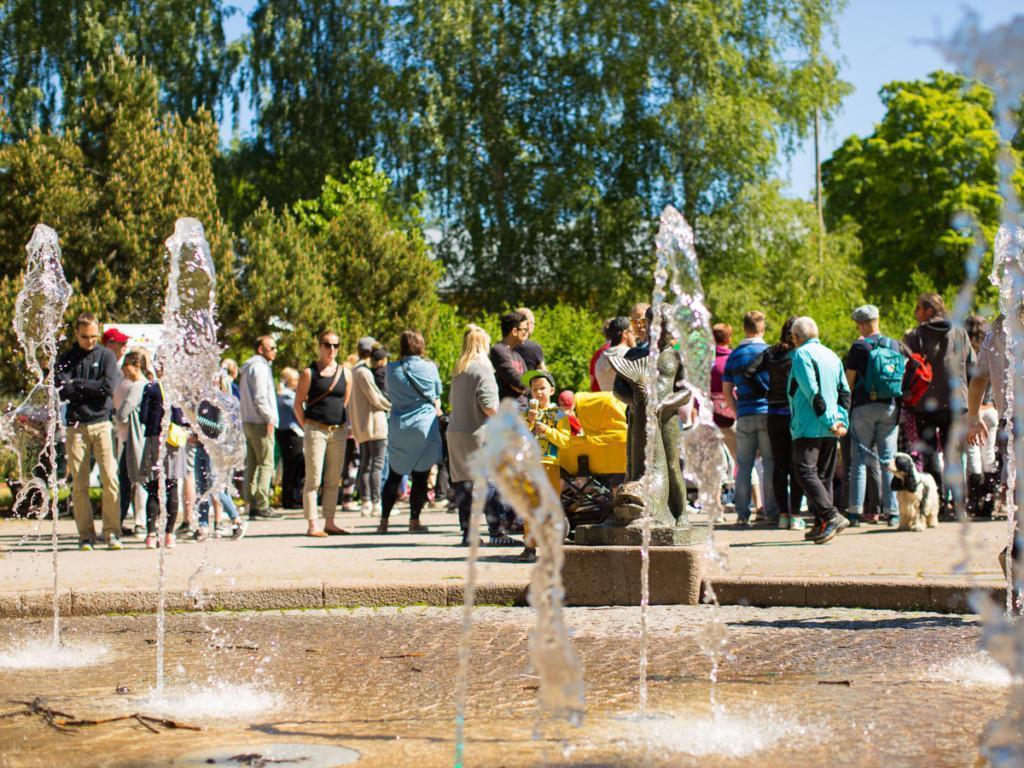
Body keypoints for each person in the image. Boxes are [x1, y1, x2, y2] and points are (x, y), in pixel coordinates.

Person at [56, 312, 123, 550]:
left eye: (95, 336)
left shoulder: (106, 356)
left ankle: (112, 531)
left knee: (110, 478)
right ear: (77, 333)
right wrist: (85, 387)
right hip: (76, 426)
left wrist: (79, 384)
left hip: (102, 422)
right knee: (80, 483)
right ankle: (86, 535)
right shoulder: (67, 358)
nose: (90, 341)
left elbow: (108, 387)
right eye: (85, 337)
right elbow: (63, 390)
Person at [903, 292, 974, 515]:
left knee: (930, 452)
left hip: (924, 402)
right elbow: (972, 365)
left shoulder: (914, 335)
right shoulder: (959, 332)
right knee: (954, 454)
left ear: (928, 310)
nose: (916, 313)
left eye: (918, 308)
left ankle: (936, 504)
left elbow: (907, 367)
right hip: (956, 401)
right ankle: (960, 506)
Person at [447, 325, 519, 546]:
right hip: (479, 434)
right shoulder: (482, 369)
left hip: (455, 432)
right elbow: (488, 404)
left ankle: (468, 533)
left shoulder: (459, 369)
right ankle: (496, 531)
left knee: (463, 484)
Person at [788, 316, 851, 544]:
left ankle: (830, 516)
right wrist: (841, 421)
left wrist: (827, 420)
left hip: (810, 425)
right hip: (831, 426)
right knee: (823, 476)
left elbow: (811, 391)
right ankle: (820, 524)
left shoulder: (801, 354)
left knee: (804, 470)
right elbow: (845, 391)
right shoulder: (832, 355)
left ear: (796, 337)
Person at [844, 304, 903, 528]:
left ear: (863, 323)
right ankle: (893, 512)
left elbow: (849, 382)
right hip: (890, 407)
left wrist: (846, 408)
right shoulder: (894, 344)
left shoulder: (859, 347)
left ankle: (855, 512)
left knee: (859, 459)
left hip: (863, 406)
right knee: (889, 460)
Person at [380, 330, 442, 534]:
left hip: (399, 425)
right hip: (424, 425)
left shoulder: (391, 369)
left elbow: (389, 391)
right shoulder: (430, 368)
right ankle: (414, 521)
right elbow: (436, 392)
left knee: (395, 474)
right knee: (421, 476)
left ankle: (383, 522)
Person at [294, 330, 352, 537]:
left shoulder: (346, 373)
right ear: (319, 346)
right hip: (315, 429)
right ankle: (312, 524)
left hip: (337, 430)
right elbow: (298, 404)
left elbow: (344, 402)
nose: (332, 350)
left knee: (333, 478)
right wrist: (307, 426)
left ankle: (330, 521)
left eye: (336, 345)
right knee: (313, 478)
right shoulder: (309, 373)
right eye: (328, 345)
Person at [722, 311, 777, 525]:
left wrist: (737, 412)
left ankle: (742, 513)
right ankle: (770, 511)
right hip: (767, 413)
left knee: (744, 465)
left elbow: (727, 391)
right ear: (762, 329)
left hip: (744, 413)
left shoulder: (734, 355)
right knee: (770, 464)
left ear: (744, 328)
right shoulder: (769, 352)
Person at [751, 316, 804, 529]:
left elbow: (749, 372)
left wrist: (766, 391)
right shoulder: (799, 354)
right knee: (798, 465)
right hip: (795, 413)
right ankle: (796, 515)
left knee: (779, 466)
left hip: (773, 412)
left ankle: (783, 514)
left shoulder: (771, 352)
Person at [138, 371, 187, 549]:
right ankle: (169, 535)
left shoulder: (150, 388)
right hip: (173, 442)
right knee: (172, 486)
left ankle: (151, 534)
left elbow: (142, 416)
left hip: (153, 439)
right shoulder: (177, 388)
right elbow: (183, 417)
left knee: (153, 487)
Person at [239, 335, 282, 520]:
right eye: (271, 347)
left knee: (253, 463)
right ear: (260, 349)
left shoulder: (248, 367)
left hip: (249, 420)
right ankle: (262, 504)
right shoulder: (259, 368)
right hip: (260, 422)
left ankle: (251, 503)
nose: (275, 351)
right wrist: (269, 417)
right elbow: (260, 397)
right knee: (266, 463)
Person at [350, 337, 391, 518]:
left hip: (361, 424)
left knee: (366, 465)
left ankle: (366, 501)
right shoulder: (363, 372)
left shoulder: (353, 371)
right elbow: (375, 397)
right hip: (374, 423)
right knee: (377, 465)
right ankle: (375, 502)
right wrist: (390, 405)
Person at [114, 349, 151, 538]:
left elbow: (122, 413)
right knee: (137, 481)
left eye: (126, 365)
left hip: (133, 440)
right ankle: (137, 522)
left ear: (136, 365)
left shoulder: (137, 386)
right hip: (143, 438)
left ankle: (132, 522)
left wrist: (119, 421)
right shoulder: (149, 385)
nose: (123, 370)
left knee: (128, 480)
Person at [965, 315, 998, 518]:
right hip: (992, 409)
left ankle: (975, 503)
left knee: (973, 457)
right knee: (989, 457)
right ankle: (989, 504)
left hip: (975, 410)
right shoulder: (994, 348)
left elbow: (973, 384)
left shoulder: (968, 354)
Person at [275, 367, 304, 510]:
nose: (298, 382)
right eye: (296, 379)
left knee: (289, 466)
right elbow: (298, 410)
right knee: (294, 466)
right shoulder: (287, 396)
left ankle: (289, 498)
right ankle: (292, 498)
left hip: (285, 433)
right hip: (292, 433)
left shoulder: (282, 395)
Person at [710, 323, 737, 460]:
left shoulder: (706, 358)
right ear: (729, 339)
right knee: (741, 459)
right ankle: (753, 482)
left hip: (708, 415)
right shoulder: (734, 359)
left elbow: (678, 347)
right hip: (729, 414)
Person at [490, 310, 529, 404]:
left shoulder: (518, 356)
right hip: (508, 411)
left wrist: (521, 387)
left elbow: (529, 384)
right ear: (514, 331)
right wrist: (521, 386)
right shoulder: (498, 350)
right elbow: (519, 382)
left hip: (524, 411)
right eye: (524, 330)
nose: (526, 333)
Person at [594, 317, 635, 392]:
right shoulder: (630, 355)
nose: (634, 336)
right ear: (625, 334)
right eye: (632, 332)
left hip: (606, 402)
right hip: (625, 403)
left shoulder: (600, 360)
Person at [515, 307, 545, 372]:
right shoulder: (534, 348)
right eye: (533, 324)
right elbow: (544, 375)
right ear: (528, 325)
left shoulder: (501, 346)